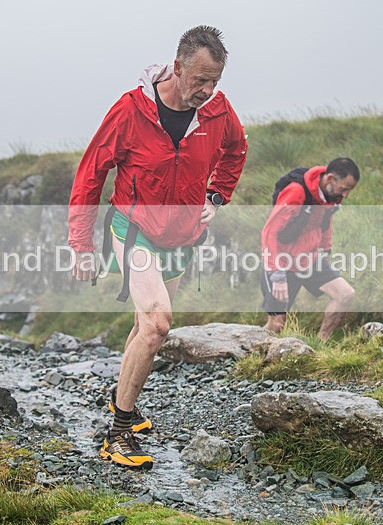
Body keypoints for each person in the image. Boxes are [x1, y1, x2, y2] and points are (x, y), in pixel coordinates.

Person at [67, 26, 247, 469]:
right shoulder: (131, 110)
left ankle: (121, 396)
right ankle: (119, 431)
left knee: (143, 324)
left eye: (215, 82)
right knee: (158, 325)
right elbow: (91, 175)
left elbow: (236, 150)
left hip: (184, 235)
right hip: (135, 228)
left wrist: (216, 196)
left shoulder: (218, 113)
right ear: (178, 66)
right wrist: (80, 243)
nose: (207, 91)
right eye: (200, 79)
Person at [260, 158, 360, 339]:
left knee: (345, 294)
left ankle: (321, 344)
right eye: (344, 189)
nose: (345, 196)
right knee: (276, 325)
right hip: (281, 262)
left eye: (348, 191)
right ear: (330, 179)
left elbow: (327, 216)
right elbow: (269, 232)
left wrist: (325, 247)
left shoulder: (332, 195)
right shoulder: (296, 192)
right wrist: (277, 273)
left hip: (308, 258)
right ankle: (251, 355)